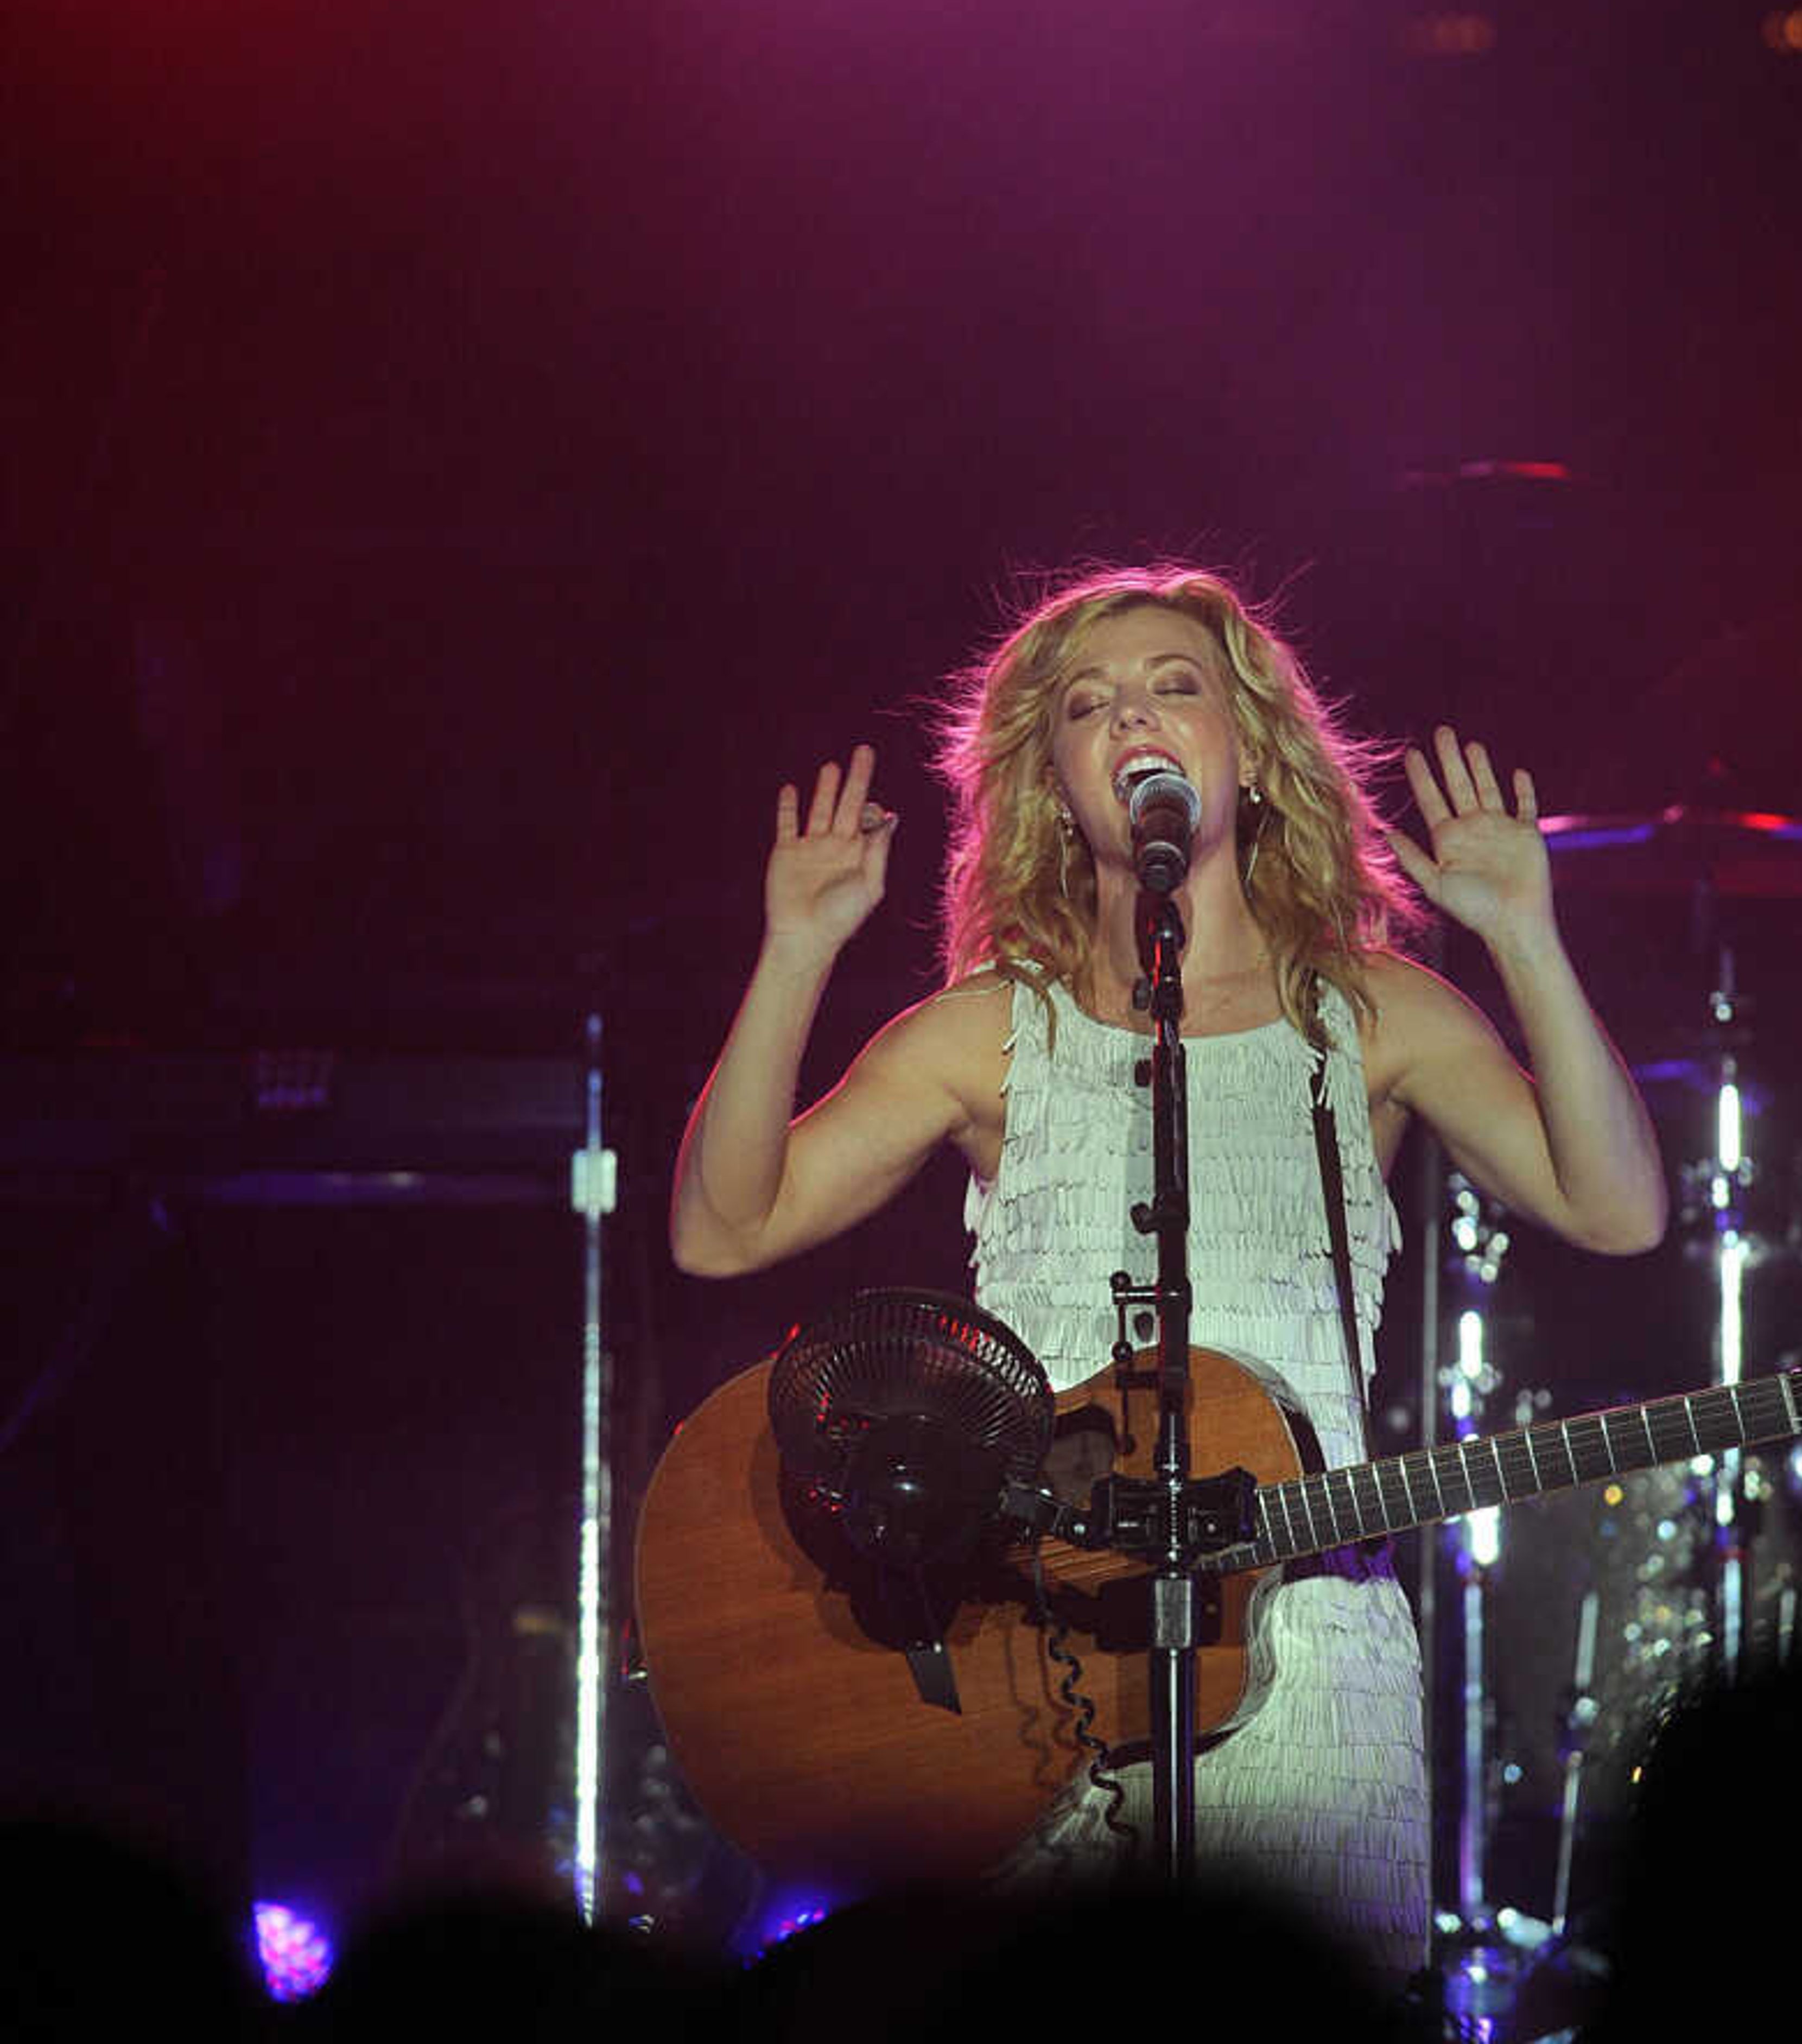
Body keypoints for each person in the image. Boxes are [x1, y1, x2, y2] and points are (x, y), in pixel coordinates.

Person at [670, 564, 1666, 1986]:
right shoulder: (981, 1033)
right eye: (1090, 705)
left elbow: (1617, 1208)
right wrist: (794, 954)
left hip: (1309, 1668)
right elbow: (724, 1229)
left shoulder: (1372, 1013)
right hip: (1039, 1678)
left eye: (1174, 684)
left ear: (1249, 749)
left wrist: (1526, 938)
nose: (1133, 715)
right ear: (1056, 782)